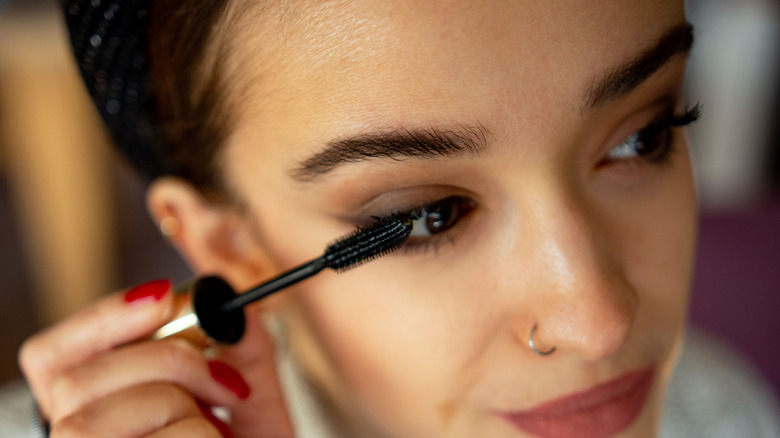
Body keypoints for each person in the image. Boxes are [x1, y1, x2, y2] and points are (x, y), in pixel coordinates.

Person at [3, 1, 779, 437]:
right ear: (227, 248)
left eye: (642, 137)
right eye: (428, 218)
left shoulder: (720, 415)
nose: (600, 321)